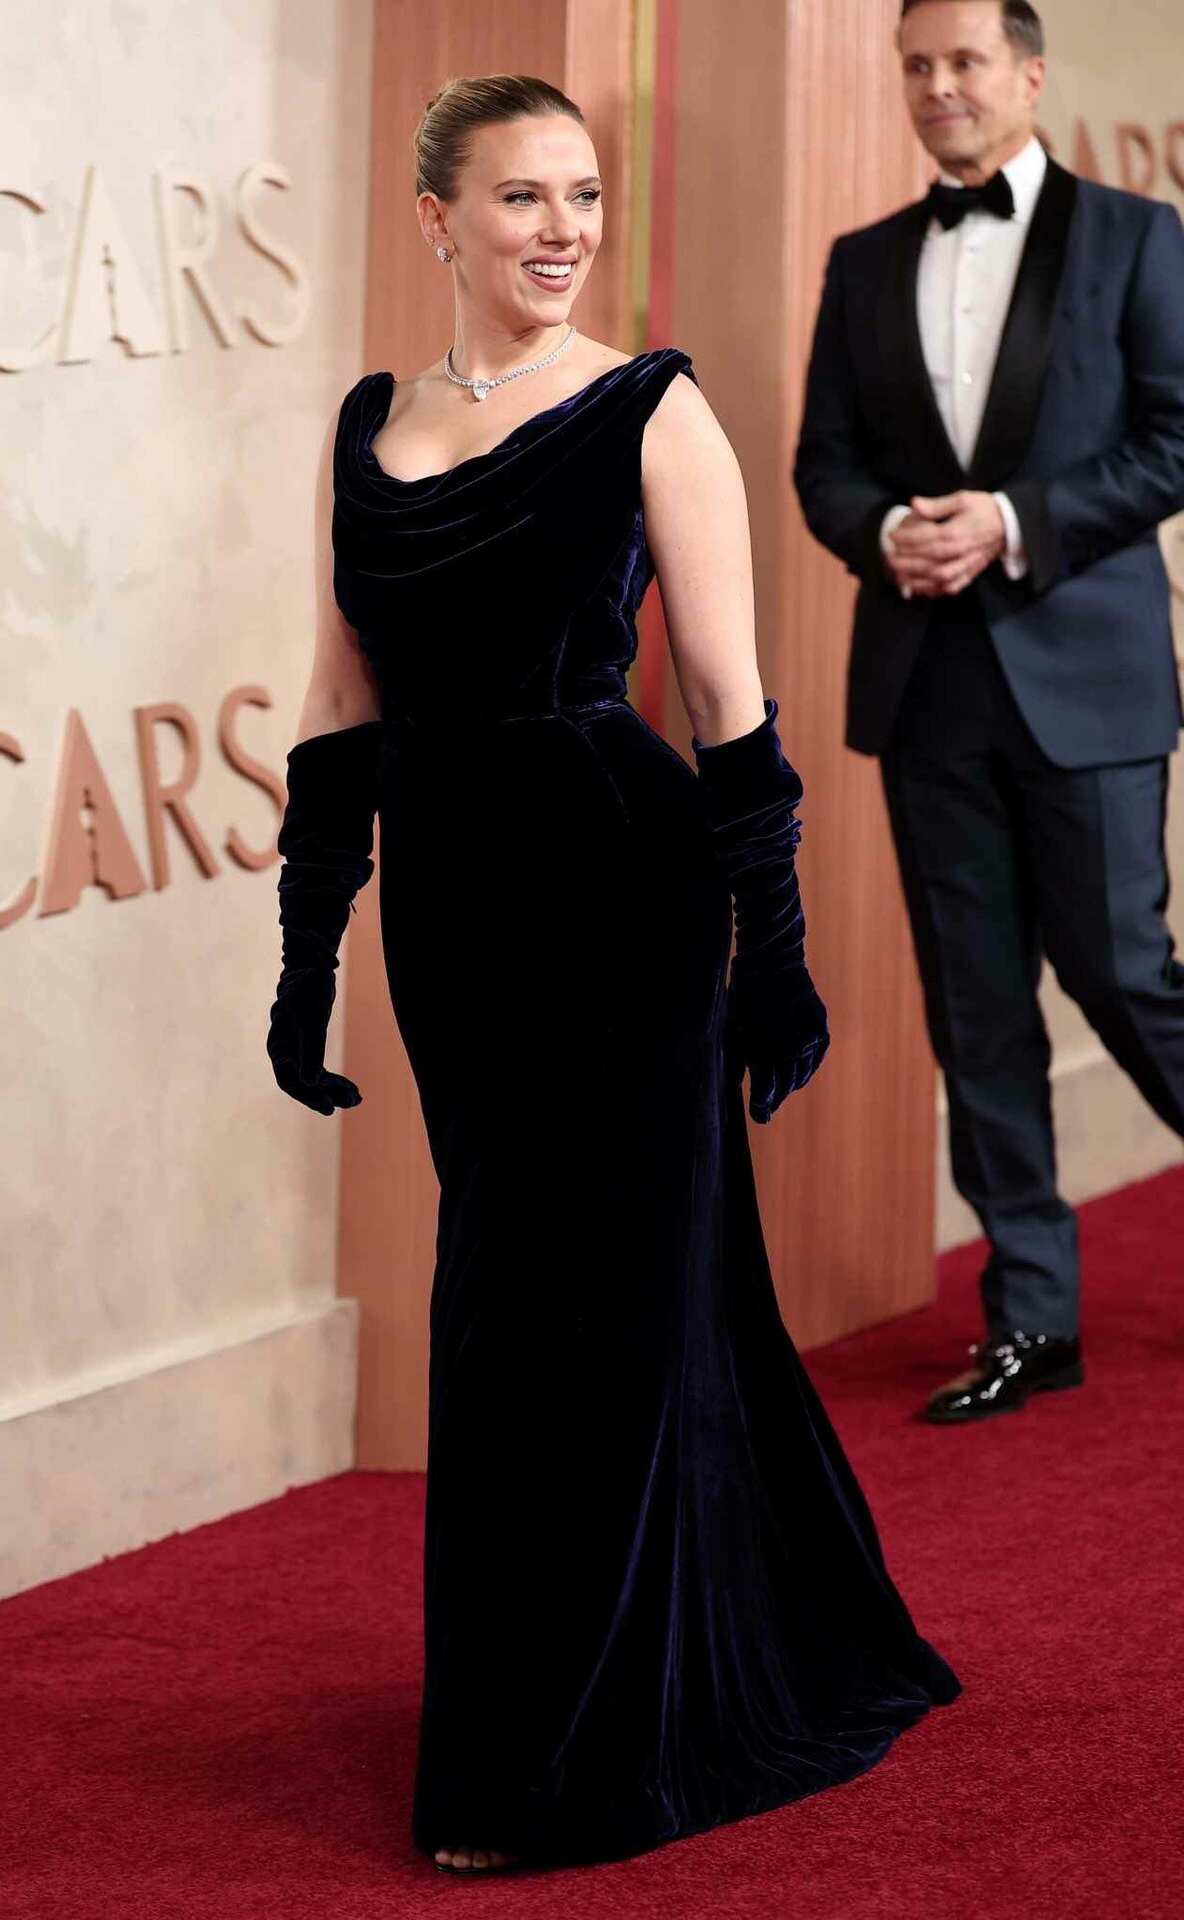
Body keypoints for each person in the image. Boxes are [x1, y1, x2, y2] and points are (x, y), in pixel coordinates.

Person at [266, 74, 959, 1874]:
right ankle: (548, 1711)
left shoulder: (653, 409)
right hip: (453, 918)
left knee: (607, 1314)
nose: (564, 229)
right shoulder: (365, 425)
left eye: (582, 195)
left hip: (620, 895)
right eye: (523, 198)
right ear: (438, 219)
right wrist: (305, 951)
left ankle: (566, 1755)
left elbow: (727, 709)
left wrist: (772, 961)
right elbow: (340, 704)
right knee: (502, 1314)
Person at [794, 0, 1184, 1425]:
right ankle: (1031, 1318)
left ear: (1027, 73)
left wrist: (1013, 522)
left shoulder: (1136, 237)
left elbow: (1175, 437)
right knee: (975, 1012)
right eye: (917, 65)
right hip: (927, 686)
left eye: (963, 61)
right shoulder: (862, 261)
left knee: (1122, 976)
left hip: (1087, 677)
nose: (938, 86)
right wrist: (882, 530)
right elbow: (823, 462)